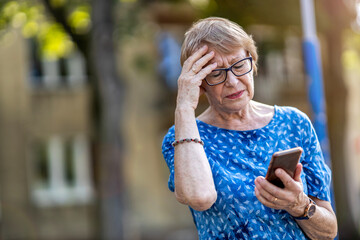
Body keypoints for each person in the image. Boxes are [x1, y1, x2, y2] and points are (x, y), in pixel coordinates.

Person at [161, 17, 337, 239]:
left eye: (239, 65)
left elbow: (329, 232)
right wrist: (184, 107)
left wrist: (299, 204)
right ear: (200, 83)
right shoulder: (183, 136)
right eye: (216, 73)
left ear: (252, 62)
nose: (232, 82)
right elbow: (200, 197)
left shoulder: (295, 123)